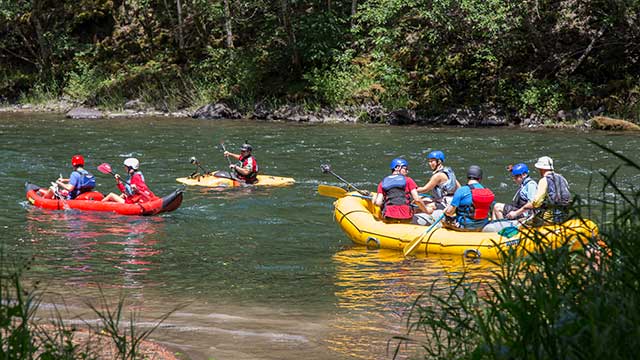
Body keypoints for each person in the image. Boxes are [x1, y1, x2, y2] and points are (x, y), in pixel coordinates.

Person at [506, 156, 571, 224]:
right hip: (564, 216)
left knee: (529, 221)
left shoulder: (544, 180)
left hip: (550, 219)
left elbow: (535, 203)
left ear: (541, 169)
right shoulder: (562, 178)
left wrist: (516, 213)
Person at [444, 165, 495, 230]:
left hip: (465, 225)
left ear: (467, 178)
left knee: (444, 218)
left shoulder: (461, 190)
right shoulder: (487, 191)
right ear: (480, 178)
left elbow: (449, 212)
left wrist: (445, 211)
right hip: (483, 225)